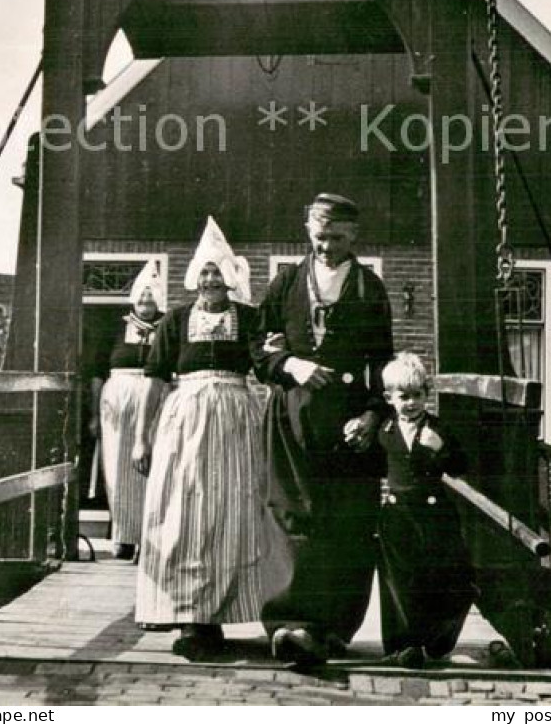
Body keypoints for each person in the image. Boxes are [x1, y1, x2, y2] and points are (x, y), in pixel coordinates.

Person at [252, 192, 394, 667]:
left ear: (354, 236)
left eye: (336, 238)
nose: (326, 246)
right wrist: (291, 364)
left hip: (350, 422)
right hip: (292, 417)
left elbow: (382, 364)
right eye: (319, 237)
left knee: (349, 524)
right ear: (306, 231)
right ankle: (291, 625)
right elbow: (258, 349)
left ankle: (334, 629)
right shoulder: (286, 282)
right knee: (292, 515)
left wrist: (374, 415)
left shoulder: (370, 289)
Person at [132, 217, 263, 660]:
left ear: (231, 276)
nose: (211, 279)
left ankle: (220, 616)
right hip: (184, 423)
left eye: (218, 272)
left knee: (228, 513)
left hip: (235, 422)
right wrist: (141, 439)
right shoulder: (175, 320)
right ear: (196, 276)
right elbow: (154, 382)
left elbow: (270, 368)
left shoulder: (249, 319)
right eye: (204, 272)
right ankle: (188, 616)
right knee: (183, 512)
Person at [377, 352, 476, 667]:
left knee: (440, 579)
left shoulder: (438, 429)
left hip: (434, 515)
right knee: (398, 581)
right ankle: (404, 645)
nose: (411, 403)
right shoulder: (385, 430)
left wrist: (440, 449)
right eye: (403, 397)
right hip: (396, 514)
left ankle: (436, 641)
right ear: (389, 398)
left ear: (426, 395)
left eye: (417, 396)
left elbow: (461, 465)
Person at [92, 260, 165, 561]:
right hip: (117, 404)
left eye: (152, 296)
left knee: (151, 464)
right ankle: (123, 536)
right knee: (118, 467)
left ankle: (150, 536)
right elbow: (97, 372)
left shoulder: (167, 328)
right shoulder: (113, 327)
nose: (146, 302)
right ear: (134, 298)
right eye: (142, 296)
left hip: (154, 401)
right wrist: (94, 415)